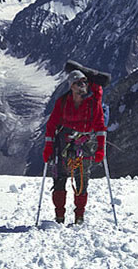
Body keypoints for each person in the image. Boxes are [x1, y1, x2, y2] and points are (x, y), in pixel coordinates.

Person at [43, 69, 107, 224]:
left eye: (84, 82)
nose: (83, 85)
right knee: (59, 178)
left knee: (82, 179)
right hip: (64, 142)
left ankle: (79, 216)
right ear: (71, 86)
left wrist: (100, 147)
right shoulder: (63, 102)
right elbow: (52, 125)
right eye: (79, 83)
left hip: (84, 143)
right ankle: (59, 216)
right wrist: (49, 146)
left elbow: (99, 125)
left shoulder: (93, 103)